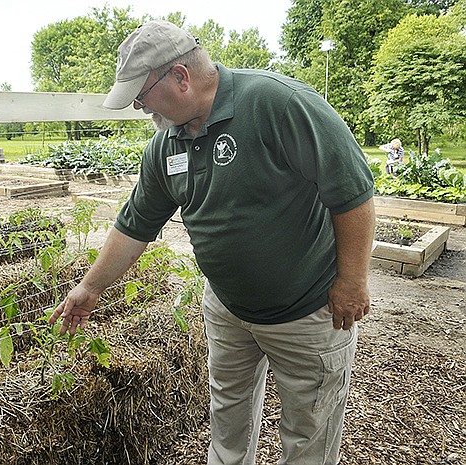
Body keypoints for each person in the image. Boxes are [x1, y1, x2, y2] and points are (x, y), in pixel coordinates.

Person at [48, 21, 376, 465]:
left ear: (181, 77)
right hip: (227, 310)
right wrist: (90, 287)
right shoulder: (166, 143)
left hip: (306, 311)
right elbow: (136, 223)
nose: (144, 110)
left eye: (143, 97)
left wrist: (352, 281)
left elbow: (351, 192)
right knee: (228, 421)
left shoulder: (279, 104)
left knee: (309, 435)